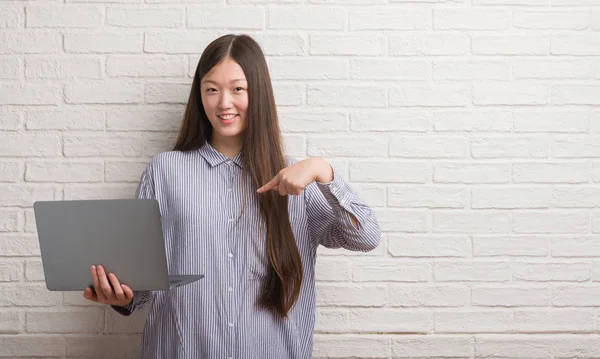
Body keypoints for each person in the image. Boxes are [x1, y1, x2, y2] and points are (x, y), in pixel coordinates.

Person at [82, 34, 381, 359]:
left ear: (259, 93)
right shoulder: (165, 171)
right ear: (200, 95)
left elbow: (366, 236)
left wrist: (325, 172)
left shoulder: (299, 180)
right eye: (212, 89)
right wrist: (119, 296)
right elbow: (139, 287)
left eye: (238, 89)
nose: (224, 103)